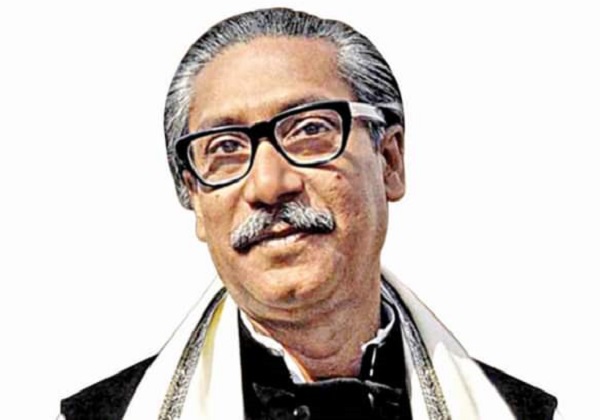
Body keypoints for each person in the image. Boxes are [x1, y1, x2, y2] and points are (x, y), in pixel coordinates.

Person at [59, 8, 558, 420]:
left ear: (389, 162)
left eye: (309, 130)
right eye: (226, 147)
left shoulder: (516, 412)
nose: (269, 185)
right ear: (195, 200)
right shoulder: (107, 414)